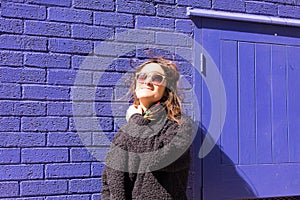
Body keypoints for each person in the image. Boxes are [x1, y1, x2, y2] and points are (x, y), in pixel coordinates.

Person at [101, 57, 194, 200]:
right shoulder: (126, 131)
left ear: (167, 88)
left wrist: (136, 121)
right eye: (142, 76)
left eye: (156, 78)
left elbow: (157, 159)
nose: (148, 81)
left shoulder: (180, 125)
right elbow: (109, 179)